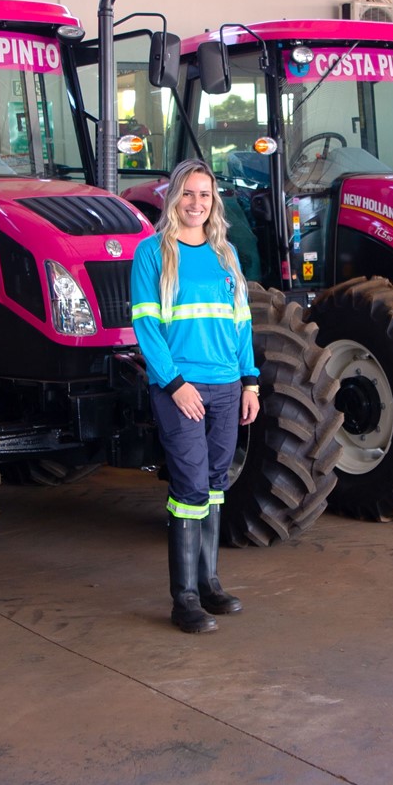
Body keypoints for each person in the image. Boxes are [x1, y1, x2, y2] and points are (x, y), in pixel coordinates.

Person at [130, 159, 261, 633]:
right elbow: (146, 327)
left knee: (214, 482)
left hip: (227, 386)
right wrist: (175, 385)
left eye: (204, 195)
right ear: (173, 199)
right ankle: (183, 598)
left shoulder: (226, 256)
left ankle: (209, 583)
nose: (196, 203)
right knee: (188, 487)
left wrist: (250, 381)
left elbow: (242, 324)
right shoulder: (152, 254)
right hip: (180, 387)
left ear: (214, 203)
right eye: (188, 194)